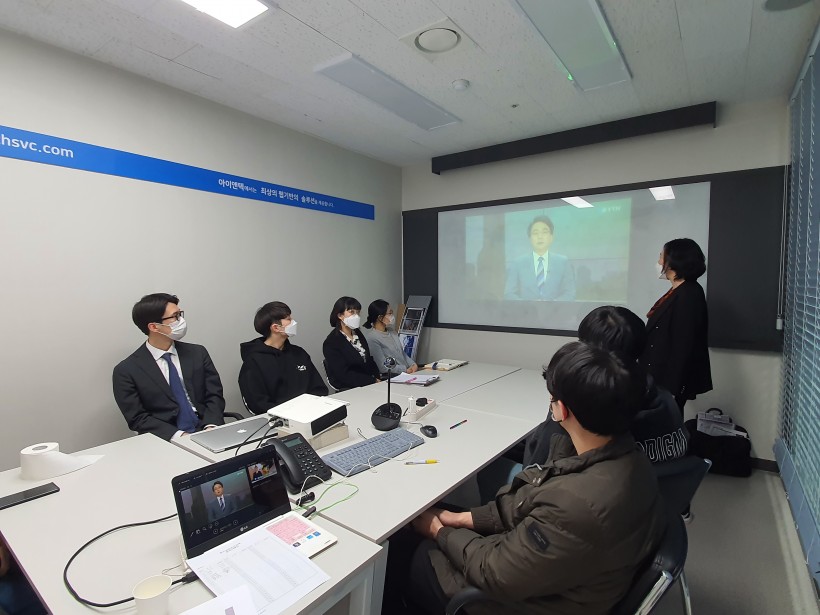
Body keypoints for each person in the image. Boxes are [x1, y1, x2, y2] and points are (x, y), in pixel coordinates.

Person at [388, 342, 666, 615]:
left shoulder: (576, 505)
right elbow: (528, 502)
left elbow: (493, 572)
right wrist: (460, 519)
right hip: (555, 572)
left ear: (562, 409)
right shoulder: (627, 458)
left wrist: (439, 532)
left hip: (513, 599)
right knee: (439, 514)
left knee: (394, 546)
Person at [113, 293, 226, 441]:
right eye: (175, 316)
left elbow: (214, 394)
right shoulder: (126, 371)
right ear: (154, 326)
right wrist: (181, 437)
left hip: (207, 430)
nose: (181, 321)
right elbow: (137, 418)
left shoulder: (197, 353)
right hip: (166, 438)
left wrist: (211, 426)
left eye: (180, 314)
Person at [641, 238, 712, 412]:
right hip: (658, 376)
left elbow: (685, 344)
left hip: (670, 382)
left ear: (674, 261)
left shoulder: (689, 294)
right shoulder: (678, 290)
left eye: (661, 257)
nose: (659, 262)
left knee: (666, 422)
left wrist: (674, 388)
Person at [238, 301, 328, 414]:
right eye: (289, 319)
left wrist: (311, 408)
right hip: (279, 419)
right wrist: (288, 413)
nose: (293, 322)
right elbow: (258, 403)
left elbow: (319, 388)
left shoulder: (299, 353)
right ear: (276, 328)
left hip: (311, 413)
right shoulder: (254, 361)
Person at [504, 215, 575, 301]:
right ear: (530, 238)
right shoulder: (518, 263)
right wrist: (528, 305)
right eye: (535, 233)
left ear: (551, 237)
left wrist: (552, 305)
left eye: (544, 232)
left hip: (556, 309)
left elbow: (569, 294)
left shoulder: (563, 262)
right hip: (526, 309)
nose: (540, 236)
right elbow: (509, 294)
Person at [322, 296, 380, 389]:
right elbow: (343, 375)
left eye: (358, 312)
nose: (356, 316)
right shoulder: (331, 343)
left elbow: (369, 359)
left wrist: (378, 378)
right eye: (351, 312)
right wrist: (371, 381)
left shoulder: (357, 333)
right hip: (351, 387)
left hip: (370, 383)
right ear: (340, 315)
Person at [361, 299, 418, 375]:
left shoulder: (392, 331)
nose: (392, 316)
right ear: (380, 318)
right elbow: (383, 366)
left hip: (407, 373)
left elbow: (402, 353)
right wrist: (405, 370)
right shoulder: (372, 338)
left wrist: (413, 364)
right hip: (394, 376)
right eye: (390, 313)